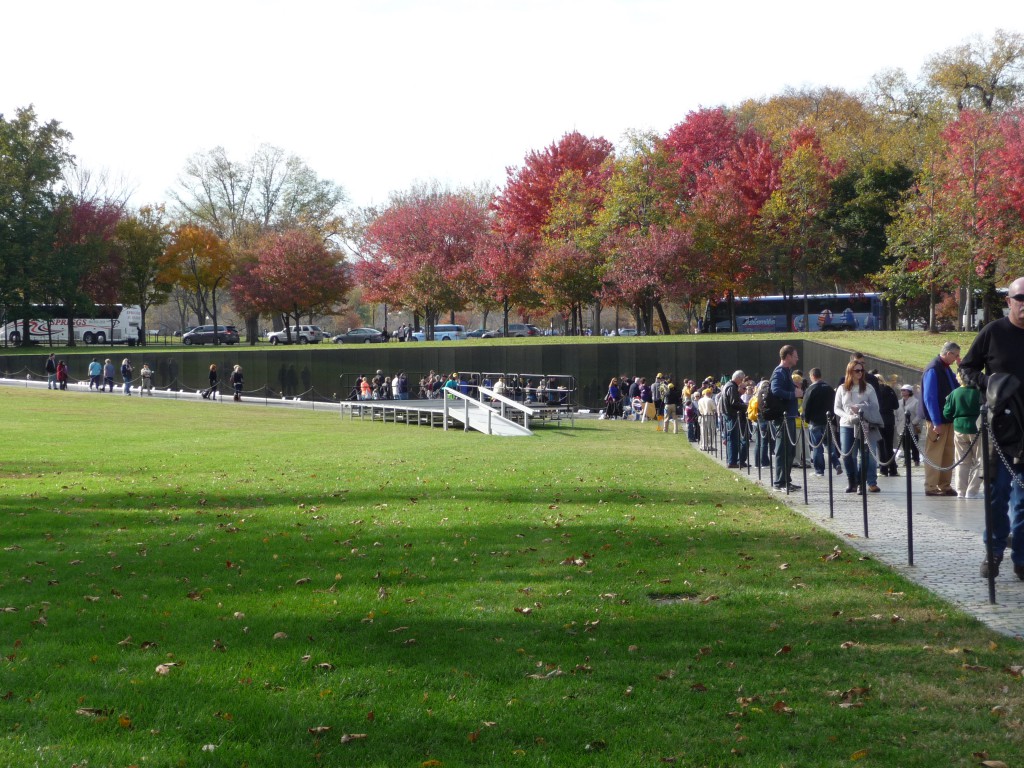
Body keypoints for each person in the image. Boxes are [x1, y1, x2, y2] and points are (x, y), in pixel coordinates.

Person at [959, 276, 1024, 579]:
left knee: (1023, 500)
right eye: (1020, 298)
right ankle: (994, 551)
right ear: (1009, 301)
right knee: (996, 495)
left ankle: (1022, 557)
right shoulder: (993, 332)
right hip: (999, 428)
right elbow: (967, 368)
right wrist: (989, 383)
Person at [921, 341, 961, 497]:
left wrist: (960, 366)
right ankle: (930, 486)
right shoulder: (933, 369)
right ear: (948, 353)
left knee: (948, 454)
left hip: (949, 419)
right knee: (934, 454)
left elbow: (959, 384)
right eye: (956, 355)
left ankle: (944, 485)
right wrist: (936, 422)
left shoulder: (946, 369)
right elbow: (929, 398)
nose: (957, 358)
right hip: (937, 420)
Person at [834, 359, 881, 493]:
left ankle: (861, 482)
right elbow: (836, 408)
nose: (860, 373)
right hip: (847, 424)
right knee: (848, 454)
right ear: (850, 372)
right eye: (857, 370)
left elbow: (875, 406)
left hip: (864, 424)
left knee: (866, 454)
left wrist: (860, 408)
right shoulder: (843, 388)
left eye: (862, 370)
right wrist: (847, 416)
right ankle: (852, 481)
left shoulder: (868, 387)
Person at [943, 372, 982, 499]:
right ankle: (972, 490)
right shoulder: (980, 392)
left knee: (961, 461)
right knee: (979, 461)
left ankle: (960, 490)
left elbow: (947, 413)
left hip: (959, 427)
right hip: (977, 427)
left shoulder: (954, 393)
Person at [770, 345, 802, 491]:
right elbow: (775, 390)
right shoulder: (779, 372)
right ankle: (779, 483)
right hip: (783, 418)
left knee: (790, 450)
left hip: (789, 416)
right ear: (788, 356)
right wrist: (793, 394)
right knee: (783, 450)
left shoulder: (786, 372)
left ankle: (786, 480)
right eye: (795, 355)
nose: (797, 358)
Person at [802, 367, 842, 477]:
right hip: (827, 421)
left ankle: (819, 470)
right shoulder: (829, 388)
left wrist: (806, 419)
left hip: (815, 422)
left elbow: (806, 406)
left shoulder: (811, 389)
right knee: (830, 446)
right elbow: (835, 404)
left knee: (817, 447)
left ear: (812, 376)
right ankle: (837, 464)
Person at [875, 371, 901, 477]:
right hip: (890, 420)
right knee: (889, 446)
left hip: (879, 419)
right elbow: (896, 405)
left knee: (881, 446)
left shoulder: (875, 391)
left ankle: (883, 469)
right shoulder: (890, 389)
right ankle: (893, 469)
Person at [721, 370, 746, 468]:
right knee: (733, 439)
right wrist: (745, 406)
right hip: (731, 415)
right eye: (742, 379)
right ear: (739, 378)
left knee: (731, 438)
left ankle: (732, 460)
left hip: (728, 414)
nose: (742, 381)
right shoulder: (732, 387)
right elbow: (734, 403)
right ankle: (732, 461)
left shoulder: (728, 385)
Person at [896, 384, 922, 466]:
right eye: (902, 390)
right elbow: (895, 414)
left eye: (905, 390)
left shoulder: (915, 402)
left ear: (909, 392)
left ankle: (916, 459)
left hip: (912, 426)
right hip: (901, 426)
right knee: (904, 445)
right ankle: (906, 461)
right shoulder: (899, 402)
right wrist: (897, 424)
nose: (902, 392)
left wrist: (914, 422)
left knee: (914, 444)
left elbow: (919, 414)